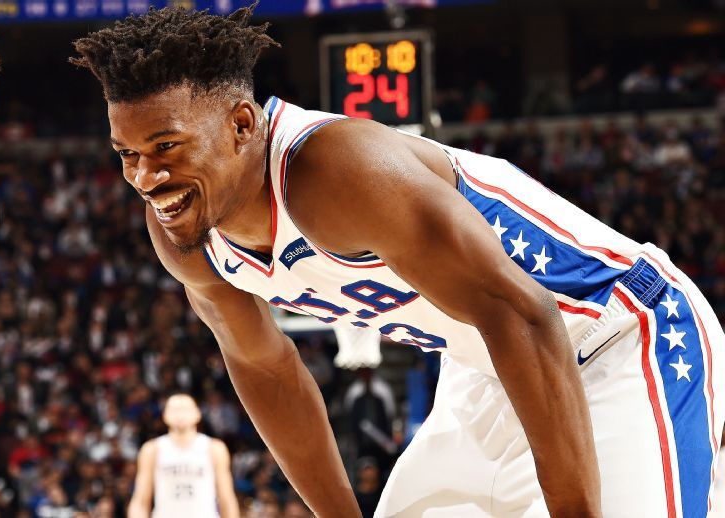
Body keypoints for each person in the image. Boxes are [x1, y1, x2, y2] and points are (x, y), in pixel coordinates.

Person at [71, 6, 723, 517]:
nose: (146, 178)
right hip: (491, 368)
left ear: (242, 125)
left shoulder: (335, 170)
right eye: (127, 154)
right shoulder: (184, 231)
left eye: (167, 147)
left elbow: (525, 314)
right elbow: (266, 368)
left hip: (622, 333)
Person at [127, 394, 240, 518]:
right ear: (165, 415)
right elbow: (141, 500)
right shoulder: (152, 449)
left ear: (197, 414)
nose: (180, 414)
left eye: (185, 409)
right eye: (175, 410)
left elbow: (227, 499)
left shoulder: (214, 448)